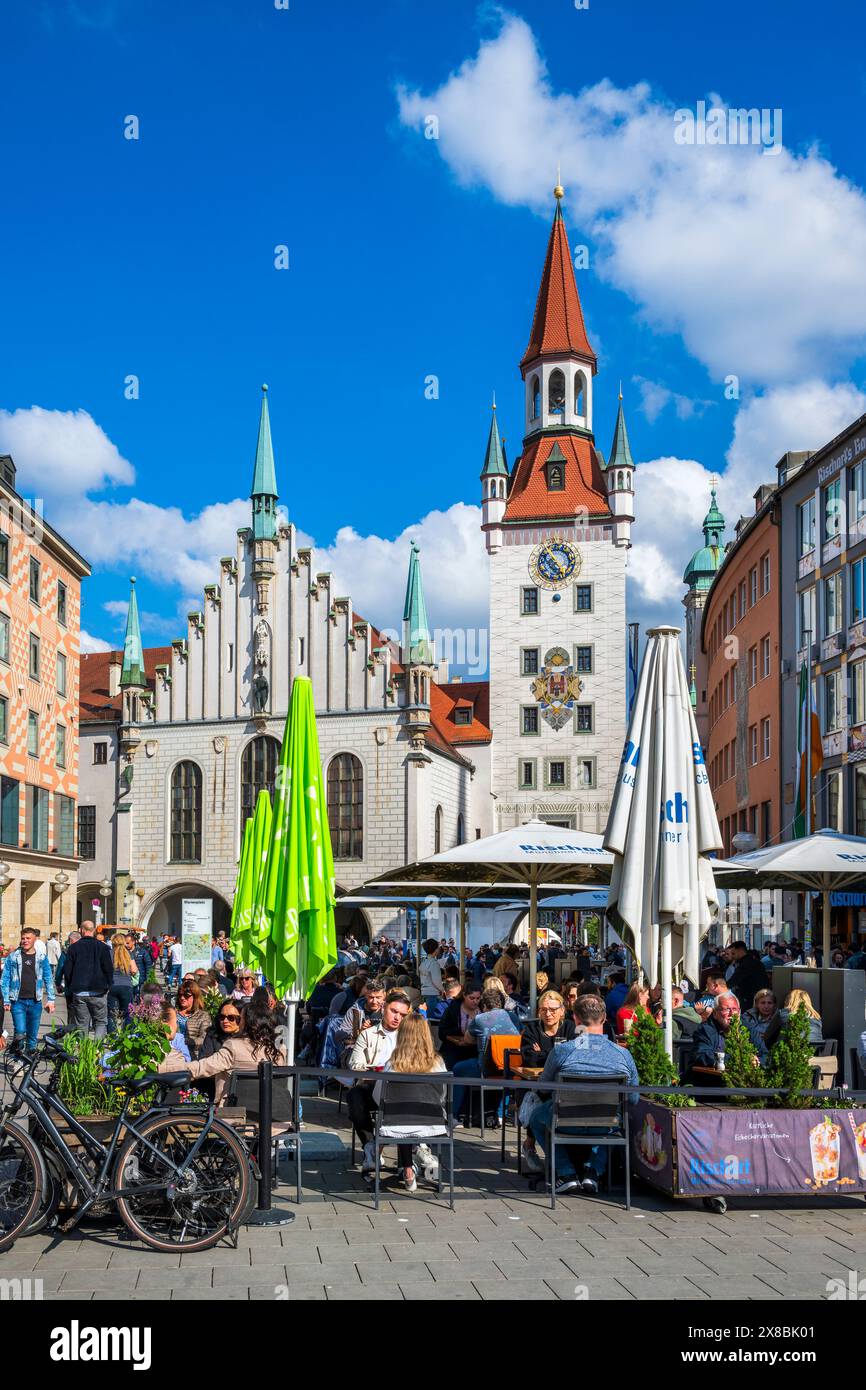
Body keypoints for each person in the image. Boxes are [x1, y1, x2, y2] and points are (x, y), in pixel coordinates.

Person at [529, 994, 639, 1196]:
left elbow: (543, 1088)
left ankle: (566, 1173)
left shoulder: (563, 1051)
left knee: (536, 1117)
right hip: (607, 1123)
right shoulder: (623, 1055)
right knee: (616, 1119)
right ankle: (593, 1171)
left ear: (576, 1019)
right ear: (604, 1018)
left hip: (565, 1120)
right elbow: (633, 1099)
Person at [372, 1011, 447, 1191]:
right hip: (432, 1124)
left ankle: (407, 1169)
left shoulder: (392, 1064)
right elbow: (443, 1095)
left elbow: (378, 1096)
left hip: (396, 1125)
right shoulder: (437, 1063)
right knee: (411, 1115)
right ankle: (423, 1156)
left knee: (402, 1116)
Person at [347, 990, 412, 1172]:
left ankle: (407, 1161)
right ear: (384, 1008)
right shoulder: (368, 1034)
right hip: (373, 1085)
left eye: (402, 1015)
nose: (397, 1017)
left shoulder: (409, 1036)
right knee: (354, 1096)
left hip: (402, 1089)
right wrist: (375, 1068)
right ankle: (370, 1145)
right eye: (394, 1011)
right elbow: (355, 1064)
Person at [186, 994, 285, 1104]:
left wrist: (175, 1069)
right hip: (272, 1105)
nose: (226, 1021)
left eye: (238, 1018)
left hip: (236, 1107)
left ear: (247, 1022)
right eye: (221, 1017)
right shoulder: (279, 1048)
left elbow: (203, 1067)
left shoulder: (234, 1046)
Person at [519, 990, 577, 1174]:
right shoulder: (531, 1030)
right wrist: (555, 1055)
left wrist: (543, 1054)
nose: (548, 1013)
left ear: (562, 1010)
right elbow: (529, 1059)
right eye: (543, 1009)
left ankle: (564, 1155)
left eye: (553, 1009)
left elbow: (574, 1056)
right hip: (537, 1085)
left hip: (565, 1086)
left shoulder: (570, 1028)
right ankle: (529, 1145)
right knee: (539, 1097)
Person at [450, 987, 520, 1124]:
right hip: (511, 1069)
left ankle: (454, 1114)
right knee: (506, 1074)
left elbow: (467, 1039)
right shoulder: (513, 1017)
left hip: (487, 1069)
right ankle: (501, 1114)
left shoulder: (480, 1019)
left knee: (457, 1069)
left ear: (484, 1005)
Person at [1, 928, 56, 1051]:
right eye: (23, 938)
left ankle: (30, 1060)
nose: (25, 941)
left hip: (35, 1002)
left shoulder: (41, 957)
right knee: (20, 1032)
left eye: (28, 938)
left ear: (34, 939)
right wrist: (6, 1000)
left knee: (32, 1035)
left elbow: (48, 978)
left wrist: (51, 999)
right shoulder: (13, 957)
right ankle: (17, 1058)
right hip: (17, 1001)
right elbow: (5, 979)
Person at [59, 921, 113, 1038]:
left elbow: (68, 970)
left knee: (82, 1024)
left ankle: (83, 1047)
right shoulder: (103, 947)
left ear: (82, 930)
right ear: (94, 930)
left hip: (80, 991)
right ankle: (97, 1046)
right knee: (100, 1022)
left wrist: (70, 986)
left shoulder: (73, 948)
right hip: (99, 991)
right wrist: (108, 985)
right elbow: (108, 969)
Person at [691, 991, 767, 1068]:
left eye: (734, 1009)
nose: (732, 1013)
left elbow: (765, 1055)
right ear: (715, 1014)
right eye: (726, 1009)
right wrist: (739, 1059)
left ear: (739, 1012)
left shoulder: (749, 1029)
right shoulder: (705, 1030)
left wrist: (756, 1061)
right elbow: (702, 1055)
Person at [438, 982, 482, 1070]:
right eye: (472, 998)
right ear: (464, 995)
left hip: (475, 1051)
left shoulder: (483, 1009)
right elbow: (442, 1032)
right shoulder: (453, 1009)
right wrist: (456, 1039)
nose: (475, 1001)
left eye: (478, 998)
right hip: (454, 1050)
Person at [107, 935, 138, 1034]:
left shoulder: (109, 953)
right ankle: (127, 1035)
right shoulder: (128, 953)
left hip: (112, 986)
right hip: (126, 986)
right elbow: (134, 970)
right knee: (128, 1013)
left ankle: (112, 1037)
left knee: (111, 1014)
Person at [726, 942, 768, 1011]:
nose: (732, 956)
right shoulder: (755, 962)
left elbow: (733, 980)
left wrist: (722, 987)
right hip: (759, 996)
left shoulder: (745, 964)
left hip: (749, 1000)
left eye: (733, 953)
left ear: (740, 951)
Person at [174, 980, 211, 1058]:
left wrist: (184, 1042)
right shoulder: (173, 1013)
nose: (182, 998)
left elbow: (204, 1039)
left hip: (193, 1055)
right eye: (180, 995)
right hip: (173, 1053)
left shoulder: (203, 1016)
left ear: (195, 996)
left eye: (186, 995)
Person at [419, 939, 444, 1010]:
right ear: (435, 949)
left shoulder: (424, 962)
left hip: (424, 992)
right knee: (432, 1015)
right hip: (432, 993)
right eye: (438, 947)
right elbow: (436, 980)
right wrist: (443, 990)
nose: (439, 949)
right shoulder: (434, 963)